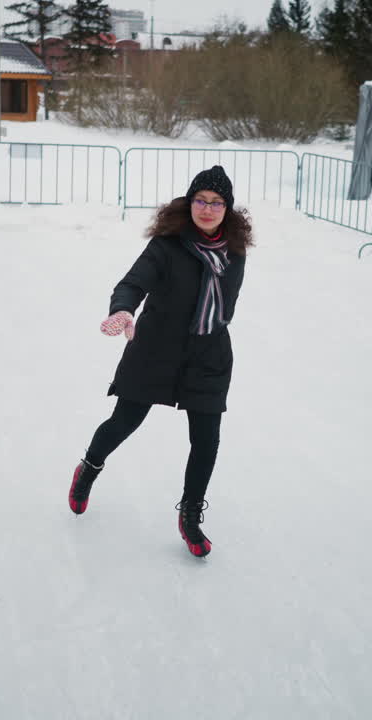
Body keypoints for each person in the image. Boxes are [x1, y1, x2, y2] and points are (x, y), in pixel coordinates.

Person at [67, 166, 253, 558]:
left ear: (228, 208)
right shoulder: (167, 246)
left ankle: (190, 516)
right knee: (125, 421)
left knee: (206, 439)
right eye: (200, 200)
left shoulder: (233, 252)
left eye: (216, 202)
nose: (207, 208)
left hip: (209, 353)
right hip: (156, 348)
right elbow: (133, 282)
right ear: (189, 204)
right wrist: (123, 311)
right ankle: (89, 468)